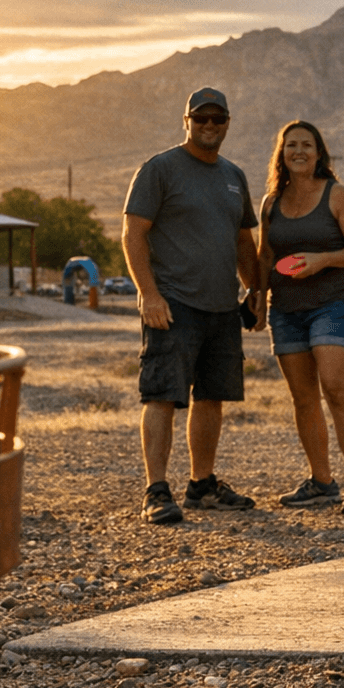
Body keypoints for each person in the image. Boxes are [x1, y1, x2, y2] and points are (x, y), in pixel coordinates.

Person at [122, 87, 261, 525]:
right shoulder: (160, 169)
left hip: (222, 307)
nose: (208, 126)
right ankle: (156, 490)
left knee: (212, 397)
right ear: (186, 121)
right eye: (200, 118)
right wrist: (149, 294)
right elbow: (133, 235)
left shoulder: (234, 176)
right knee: (162, 395)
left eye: (217, 119)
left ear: (227, 124)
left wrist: (255, 292)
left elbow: (243, 242)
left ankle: (202, 485)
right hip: (173, 303)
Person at [256, 120, 344, 515]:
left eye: (307, 144)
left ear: (319, 152)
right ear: (282, 154)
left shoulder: (338, 195)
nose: (299, 151)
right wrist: (257, 297)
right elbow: (265, 257)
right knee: (303, 398)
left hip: (335, 302)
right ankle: (322, 481)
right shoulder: (271, 203)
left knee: (335, 387)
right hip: (286, 309)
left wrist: (323, 260)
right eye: (291, 145)